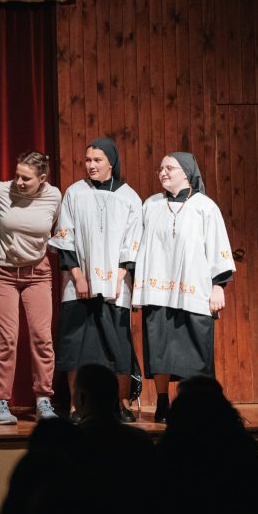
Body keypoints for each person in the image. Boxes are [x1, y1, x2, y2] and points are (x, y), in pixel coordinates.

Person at [132, 152, 235, 422]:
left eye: (170, 168)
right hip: (158, 291)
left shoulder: (205, 207)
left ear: (187, 172)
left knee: (196, 352)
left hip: (193, 291)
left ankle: (195, 405)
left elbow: (218, 246)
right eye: (161, 168)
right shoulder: (152, 205)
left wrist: (218, 286)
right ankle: (162, 402)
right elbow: (138, 245)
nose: (163, 172)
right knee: (160, 350)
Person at [49, 137, 141, 422]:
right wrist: (78, 276)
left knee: (118, 346)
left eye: (97, 160)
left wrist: (119, 277)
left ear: (110, 163)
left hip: (116, 285)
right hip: (80, 284)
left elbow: (133, 242)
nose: (91, 165)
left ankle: (121, 403)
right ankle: (75, 406)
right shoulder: (75, 192)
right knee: (75, 346)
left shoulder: (129, 197)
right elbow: (65, 236)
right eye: (88, 160)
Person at [0, 151, 62, 424]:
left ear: (42, 179)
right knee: (6, 337)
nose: (18, 182)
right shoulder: (0, 192)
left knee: (42, 336)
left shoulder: (54, 196)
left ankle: (43, 399)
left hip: (37, 272)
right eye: (17, 175)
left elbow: (52, 228)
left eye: (26, 178)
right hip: (2, 272)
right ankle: (0, 401)